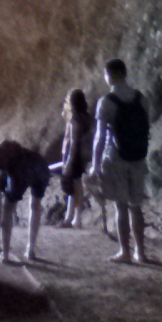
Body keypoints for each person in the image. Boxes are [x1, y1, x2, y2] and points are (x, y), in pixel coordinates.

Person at [88, 58, 150, 263]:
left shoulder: (106, 102)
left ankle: (125, 252)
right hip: (138, 158)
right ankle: (140, 252)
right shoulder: (141, 98)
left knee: (121, 207)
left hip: (116, 158)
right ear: (125, 74)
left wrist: (95, 165)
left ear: (109, 75)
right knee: (136, 206)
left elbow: (100, 137)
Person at [0, 140, 50, 264]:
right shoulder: (8, 163)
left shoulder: (17, 171)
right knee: (35, 205)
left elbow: (3, 210)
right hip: (41, 167)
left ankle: (8, 254)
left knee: (9, 208)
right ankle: (30, 249)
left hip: (36, 170)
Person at [58, 89, 92, 228]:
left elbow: (73, 142)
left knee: (72, 188)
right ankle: (74, 218)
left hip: (73, 155)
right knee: (77, 186)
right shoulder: (86, 117)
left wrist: (69, 163)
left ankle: (72, 218)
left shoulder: (75, 120)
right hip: (81, 155)